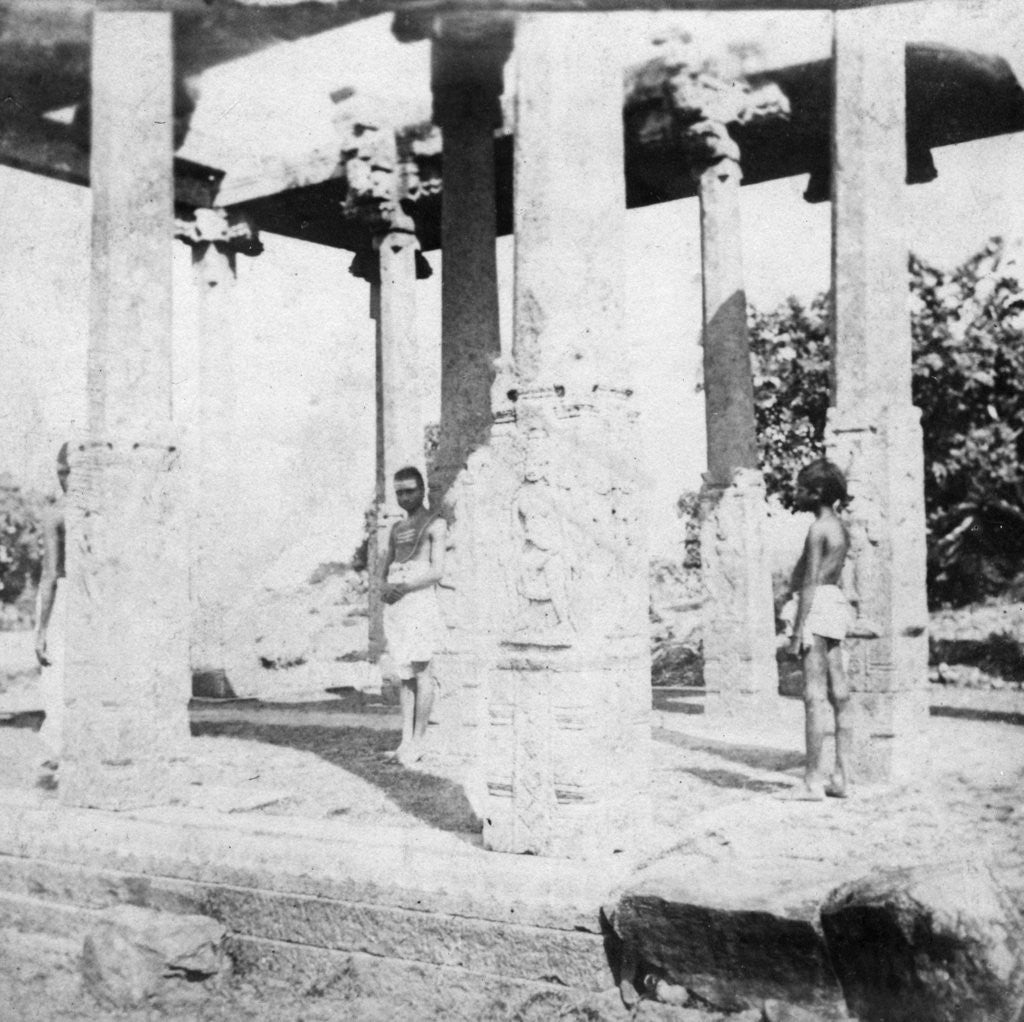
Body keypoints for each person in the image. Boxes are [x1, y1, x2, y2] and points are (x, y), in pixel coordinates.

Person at [787, 458, 854, 800]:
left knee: (813, 694)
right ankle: (841, 778)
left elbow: (811, 581)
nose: (795, 494)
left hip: (815, 605)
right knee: (839, 692)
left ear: (816, 493)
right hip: (834, 603)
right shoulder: (840, 527)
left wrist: (798, 630)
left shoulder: (817, 529)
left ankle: (812, 781)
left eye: (800, 489)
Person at [379, 466, 446, 766]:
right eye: (399, 493)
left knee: (421, 671)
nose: (405, 497)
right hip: (398, 606)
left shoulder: (435, 524)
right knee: (404, 674)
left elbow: (436, 571)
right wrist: (386, 589)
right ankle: (405, 740)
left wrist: (404, 587)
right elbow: (384, 570)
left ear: (422, 491)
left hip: (418, 601)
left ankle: (419, 741)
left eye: (410, 491)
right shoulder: (396, 529)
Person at [35, 442, 69, 775]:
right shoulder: (98, 512)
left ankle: (61, 750)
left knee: (56, 677)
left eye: (67, 472)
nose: (64, 479)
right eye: (61, 472)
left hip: (64, 600)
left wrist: (41, 629)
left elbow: (50, 575)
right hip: (90, 598)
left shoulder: (56, 513)